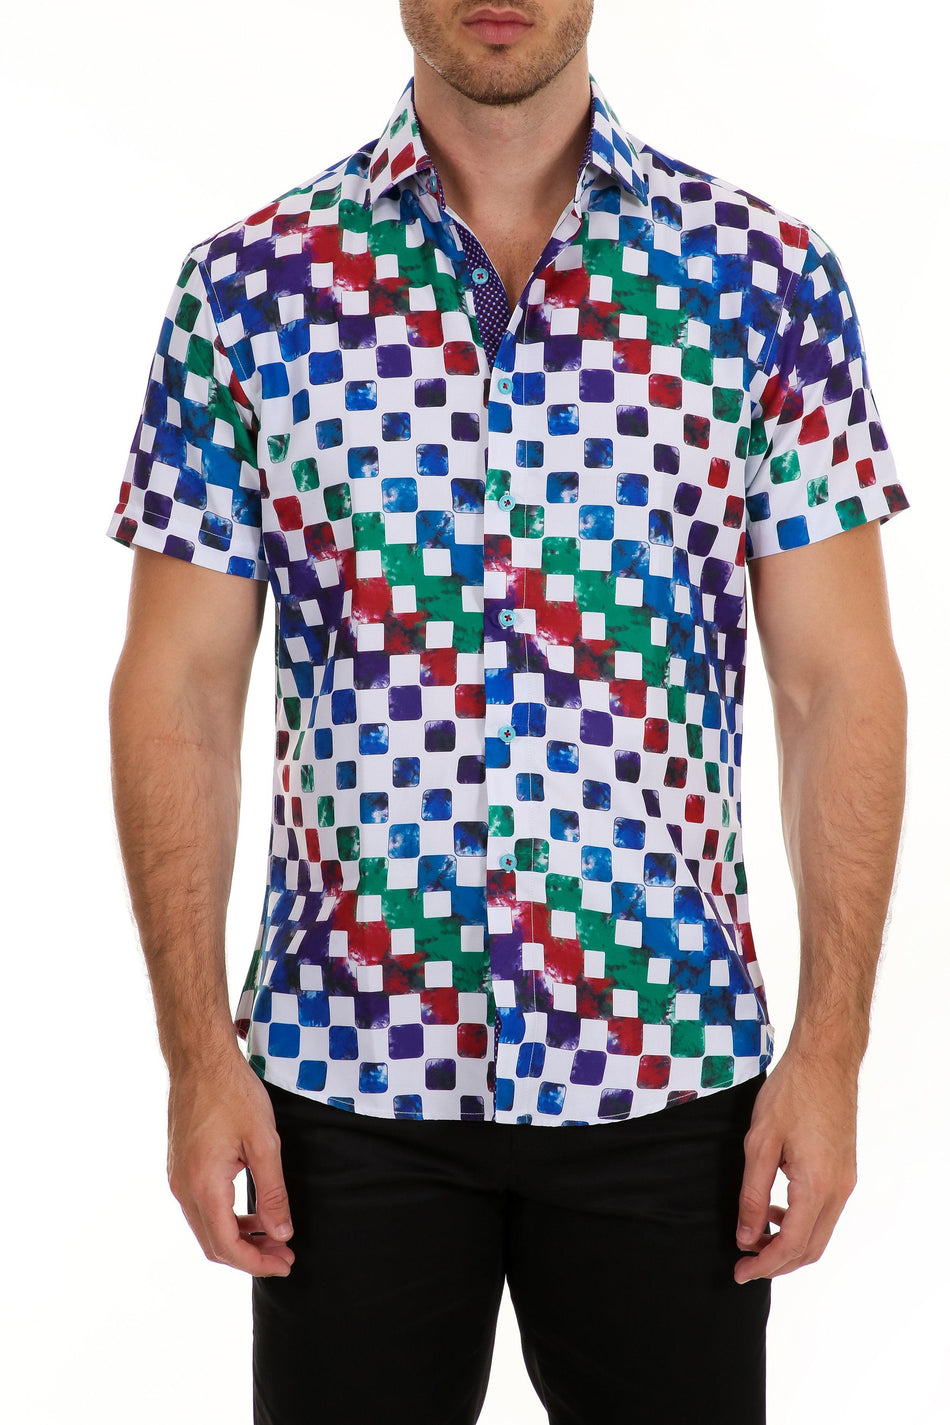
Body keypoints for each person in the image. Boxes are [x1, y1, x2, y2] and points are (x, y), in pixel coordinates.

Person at [106, 3, 910, 1422]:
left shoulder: (766, 280)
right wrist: (195, 1057)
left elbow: (835, 680)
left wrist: (831, 1053)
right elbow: (179, 685)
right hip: (343, 1089)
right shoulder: (247, 291)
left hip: (667, 1073)